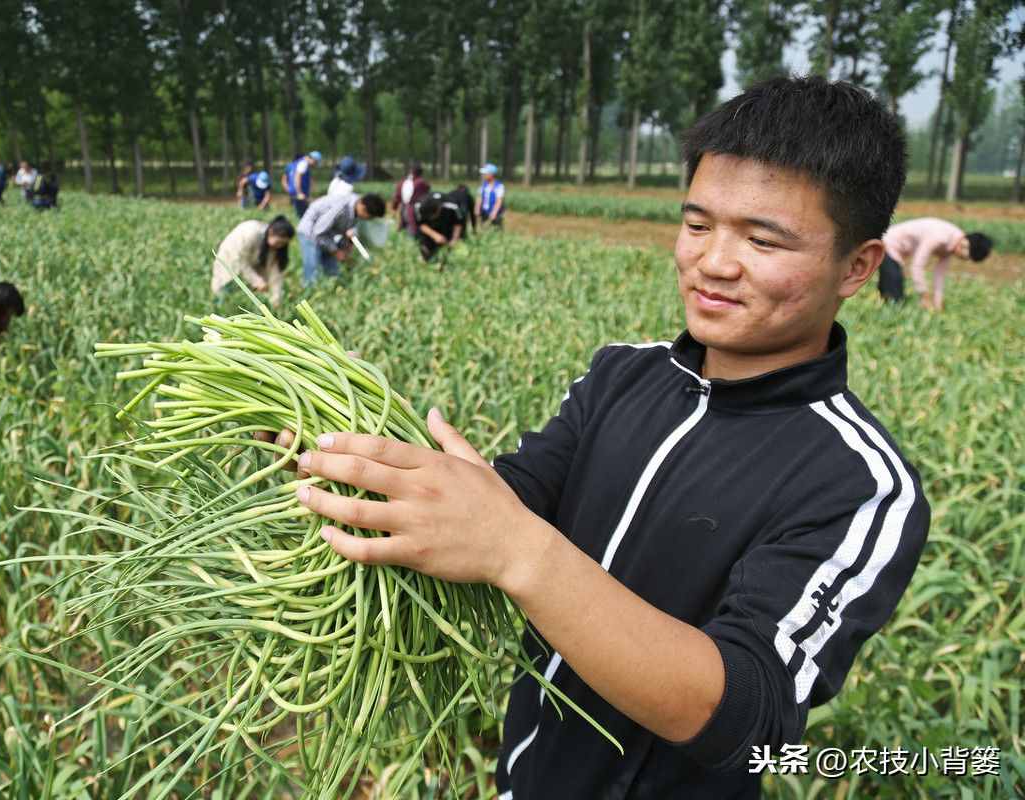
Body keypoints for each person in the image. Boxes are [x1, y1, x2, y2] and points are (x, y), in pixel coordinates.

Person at [285, 77, 930, 798]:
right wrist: (350, 463)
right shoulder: (623, 375)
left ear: (858, 266)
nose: (713, 261)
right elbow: (514, 496)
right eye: (696, 224)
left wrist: (515, 548)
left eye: (761, 238)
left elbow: (746, 712)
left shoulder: (859, 483)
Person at [878, 218, 993, 310]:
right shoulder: (940, 237)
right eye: (964, 257)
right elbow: (917, 266)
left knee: (893, 287)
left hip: (899, 252)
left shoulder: (952, 243)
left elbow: (939, 275)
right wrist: (924, 295)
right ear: (965, 246)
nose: (961, 258)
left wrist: (938, 303)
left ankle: (884, 301)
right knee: (895, 296)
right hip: (888, 243)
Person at [295, 192, 386, 287]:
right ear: (363, 208)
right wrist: (336, 252)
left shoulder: (357, 205)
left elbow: (348, 229)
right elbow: (319, 232)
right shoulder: (341, 207)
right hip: (310, 232)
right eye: (369, 217)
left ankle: (331, 291)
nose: (367, 220)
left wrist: (347, 245)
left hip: (327, 235)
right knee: (312, 268)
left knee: (332, 271)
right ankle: (309, 294)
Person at [212, 216, 295, 307]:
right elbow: (240, 262)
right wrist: (257, 281)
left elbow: (275, 273)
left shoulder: (274, 246)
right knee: (225, 289)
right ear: (271, 232)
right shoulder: (252, 233)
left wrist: (276, 298)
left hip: (250, 262)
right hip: (230, 258)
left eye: (283, 244)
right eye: (279, 242)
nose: (280, 246)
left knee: (249, 293)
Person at [414, 186, 477, 262]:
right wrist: (434, 235)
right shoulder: (418, 206)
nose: (432, 219)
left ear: (439, 209)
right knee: (426, 241)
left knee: (453, 243)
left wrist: (454, 239)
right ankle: (426, 254)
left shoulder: (452, 206)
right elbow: (420, 224)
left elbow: (458, 223)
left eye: (433, 216)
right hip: (430, 228)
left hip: (448, 224)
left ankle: (450, 258)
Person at [390, 163, 430, 234]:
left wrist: (394, 208)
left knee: (401, 229)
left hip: (403, 208)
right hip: (414, 209)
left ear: (411, 171)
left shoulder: (402, 182)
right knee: (413, 230)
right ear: (421, 173)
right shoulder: (422, 183)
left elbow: (396, 198)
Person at [283, 150, 322, 218]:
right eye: (315, 163)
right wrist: (299, 192)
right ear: (312, 159)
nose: (314, 165)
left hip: (297, 193)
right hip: (300, 194)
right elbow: (297, 177)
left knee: (302, 213)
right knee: (303, 215)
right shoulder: (304, 164)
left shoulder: (300, 163)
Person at [478, 162, 506, 228]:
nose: (484, 175)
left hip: (496, 214)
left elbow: (499, 201)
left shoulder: (499, 186)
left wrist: (494, 213)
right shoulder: (483, 185)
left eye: (486, 173)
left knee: (496, 230)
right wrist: (477, 209)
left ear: (491, 174)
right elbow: (479, 197)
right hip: (484, 212)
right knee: (484, 229)